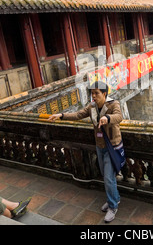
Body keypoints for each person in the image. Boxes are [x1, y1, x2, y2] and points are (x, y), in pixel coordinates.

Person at [48, 81, 123, 223]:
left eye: (96, 93)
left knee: (108, 177)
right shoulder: (92, 106)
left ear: (104, 94)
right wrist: (61, 115)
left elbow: (119, 117)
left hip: (112, 146)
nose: (93, 96)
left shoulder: (113, 104)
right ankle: (115, 198)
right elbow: (78, 115)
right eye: (92, 93)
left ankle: (113, 207)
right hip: (99, 146)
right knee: (105, 176)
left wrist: (107, 118)